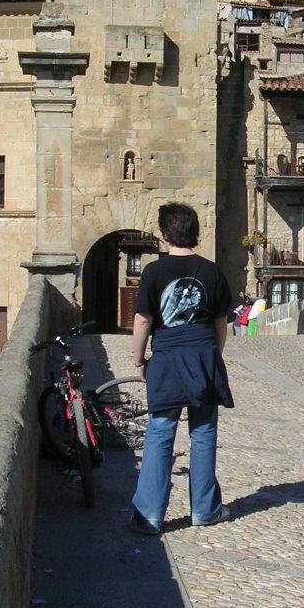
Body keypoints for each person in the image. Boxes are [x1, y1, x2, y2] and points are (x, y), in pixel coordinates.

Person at [128, 202, 234, 534]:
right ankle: (204, 509)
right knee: (203, 434)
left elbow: (143, 319)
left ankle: (149, 516)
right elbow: (221, 322)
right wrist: (213, 355)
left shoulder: (153, 273)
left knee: (160, 434)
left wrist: (138, 359)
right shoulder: (212, 271)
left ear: (164, 234)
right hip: (202, 355)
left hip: (168, 359)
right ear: (196, 233)